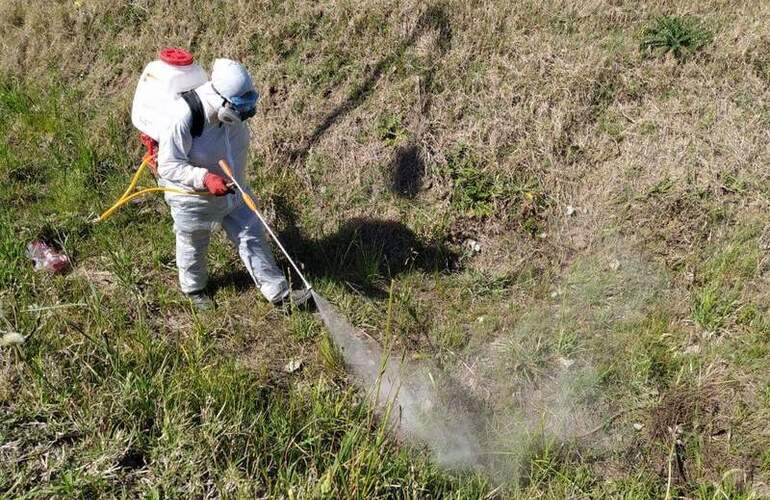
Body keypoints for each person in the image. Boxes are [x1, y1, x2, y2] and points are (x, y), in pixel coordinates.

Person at [156, 58, 309, 310]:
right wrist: (204, 178)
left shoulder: (230, 117)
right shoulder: (184, 115)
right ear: (222, 101)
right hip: (192, 198)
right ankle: (194, 289)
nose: (247, 112)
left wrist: (231, 181)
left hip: (233, 188)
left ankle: (279, 294)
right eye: (242, 106)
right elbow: (168, 165)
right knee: (194, 242)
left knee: (252, 233)